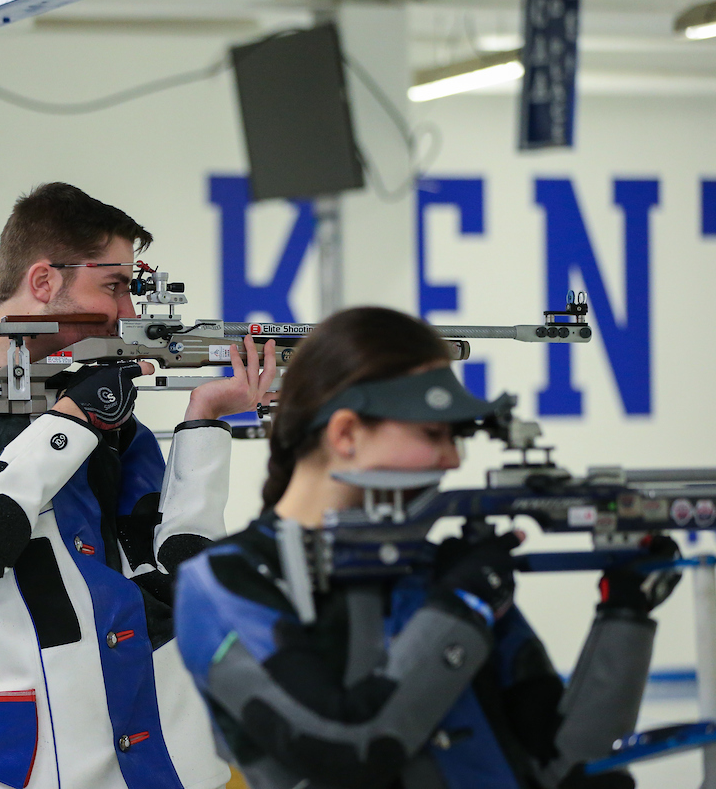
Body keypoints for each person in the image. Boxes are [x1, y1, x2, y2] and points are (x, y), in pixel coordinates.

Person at [0, 182, 276, 788]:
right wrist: (75, 419)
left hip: (167, 733)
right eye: (113, 286)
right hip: (41, 747)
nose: (127, 313)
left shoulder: (93, 401)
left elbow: (177, 566)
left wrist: (205, 417)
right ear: (42, 281)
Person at [173, 306, 679, 789]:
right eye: (433, 433)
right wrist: (464, 604)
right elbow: (349, 750)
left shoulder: (436, 572)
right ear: (346, 434)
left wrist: (625, 611)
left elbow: (571, 769)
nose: (452, 458)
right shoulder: (225, 583)